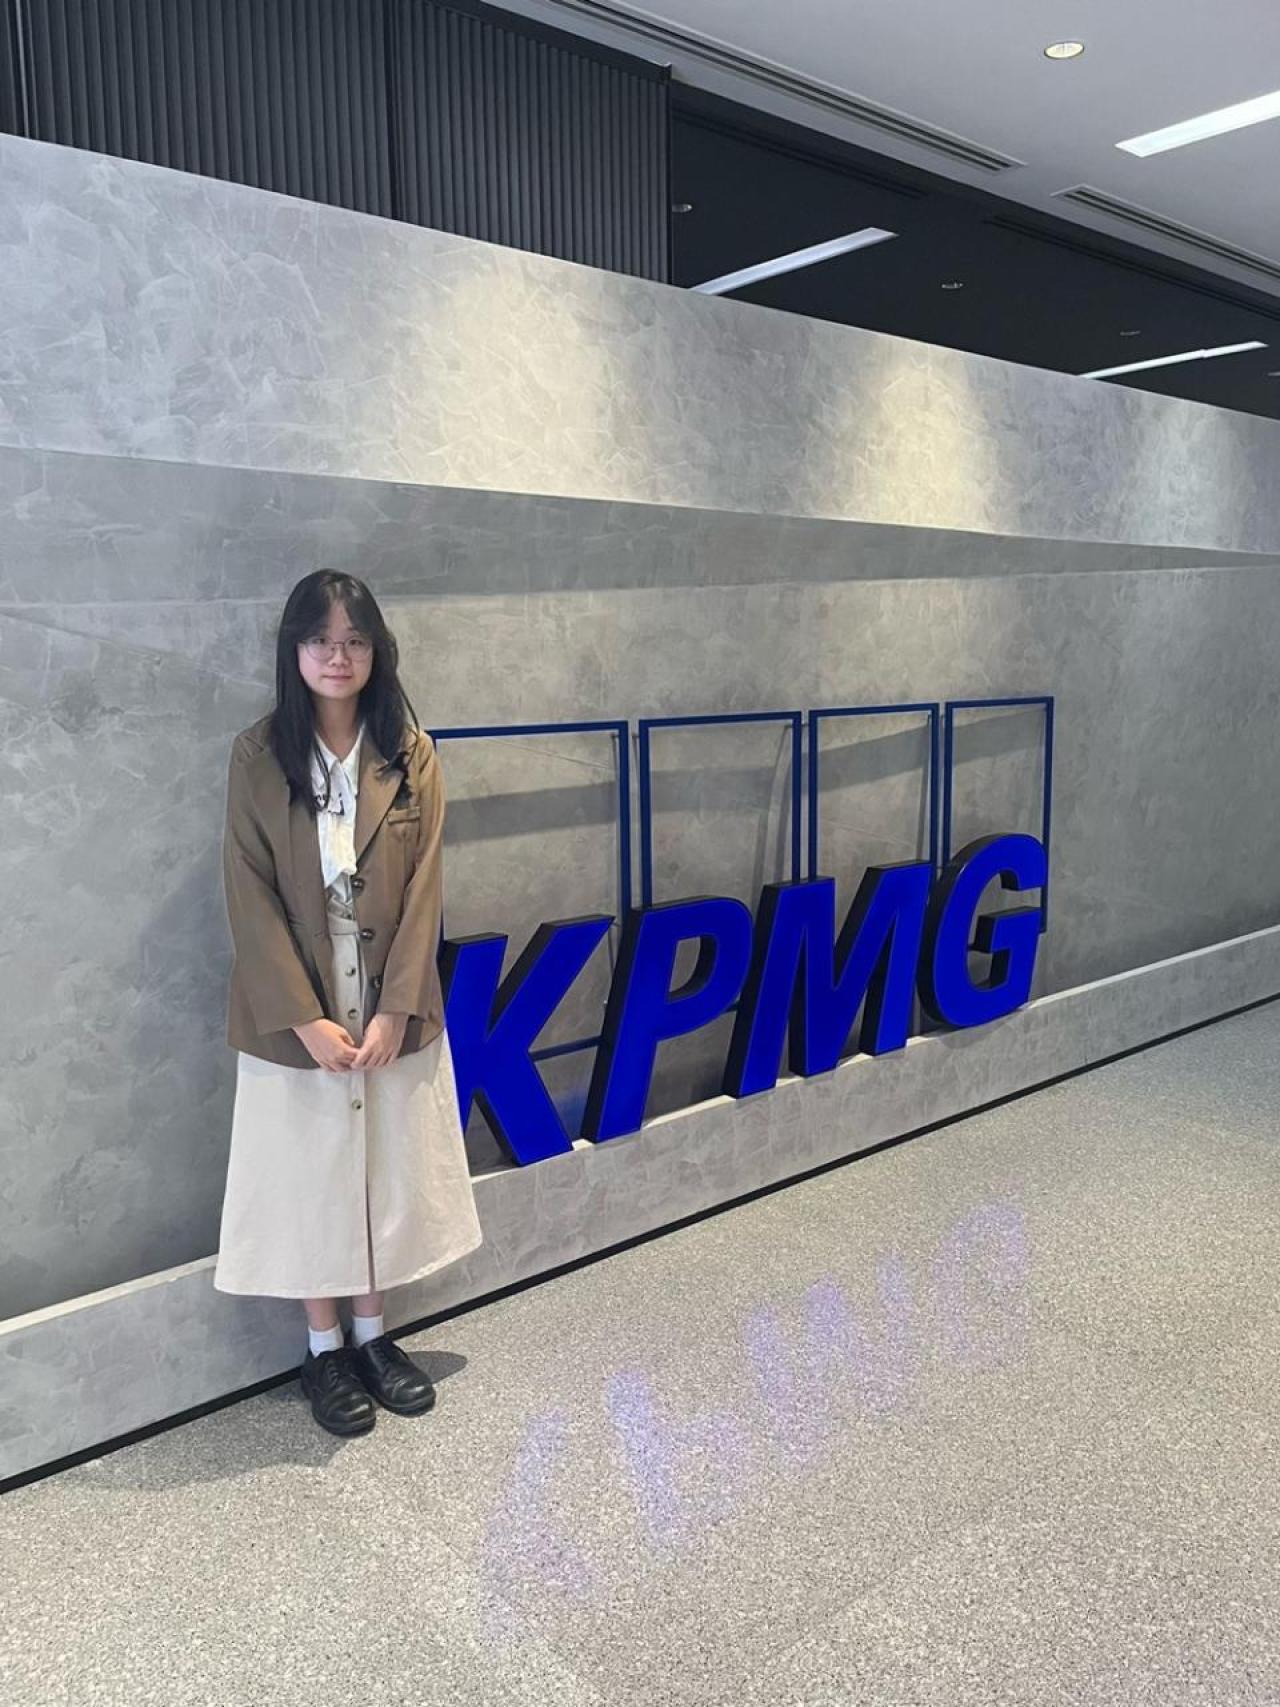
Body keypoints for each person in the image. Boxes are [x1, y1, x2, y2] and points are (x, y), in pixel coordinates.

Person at [213, 570, 483, 1437]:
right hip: (294, 1006)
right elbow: (248, 892)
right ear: (294, 650)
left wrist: (398, 1007)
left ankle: (373, 1335)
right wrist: (303, 1017)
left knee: (383, 1169)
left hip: (389, 999)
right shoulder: (257, 757)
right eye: (322, 639)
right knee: (309, 1176)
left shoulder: (411, 752)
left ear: (377, 651)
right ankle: (322, 1348)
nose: (339, 655)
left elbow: (427, 887)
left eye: (355, 640)